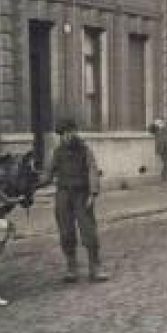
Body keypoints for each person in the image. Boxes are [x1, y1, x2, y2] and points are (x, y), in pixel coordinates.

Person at [40, 118, 108, 282]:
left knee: (88, 231)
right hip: (63, 195)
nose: (67, 136)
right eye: (64, 134)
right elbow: (48, 174)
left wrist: (92, 193)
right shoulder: (57, 152)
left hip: (82, 195)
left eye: (70, 132)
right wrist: (35, 182)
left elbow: (93, 170)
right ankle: (71, 267)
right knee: (66, 232)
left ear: (75, 132)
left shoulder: (85, 150)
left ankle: (95, 266)